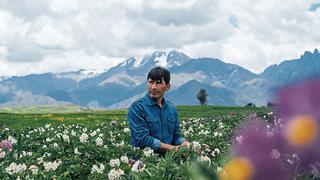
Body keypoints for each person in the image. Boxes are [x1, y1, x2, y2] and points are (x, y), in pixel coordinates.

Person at [128, 67, 189, 155]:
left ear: (167, 86)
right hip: (143, 162)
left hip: (168, 160)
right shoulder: (137, 108)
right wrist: (173, 149)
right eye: (151, 82)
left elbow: (176, 136)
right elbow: (142, 139)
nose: (153, 87)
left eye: (158, 83)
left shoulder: (171, 108)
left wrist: (186, 144)